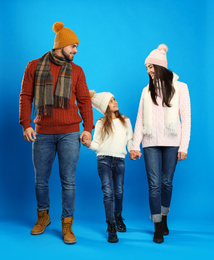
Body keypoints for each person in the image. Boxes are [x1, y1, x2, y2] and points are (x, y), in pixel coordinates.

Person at [19, 22, 93, 244]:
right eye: (73, 46)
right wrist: (26, 123)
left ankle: (67, 224)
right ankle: (43, 217)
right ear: (61, 45)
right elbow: (25, 96)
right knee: (40, 180)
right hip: (42, 133)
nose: (76, 51)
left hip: (70, 133)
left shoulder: (77, 71)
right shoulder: (33, 66)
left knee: (68, 181)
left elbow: (84, 101)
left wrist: (88, 128)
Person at [130, 44, 191, 243]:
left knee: (166, 183)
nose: (148, 71)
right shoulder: (146, 90)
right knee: (154, 185)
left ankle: (164, 216)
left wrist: (184, 146)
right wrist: (134, 145)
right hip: (150, 143)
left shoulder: (181, 88)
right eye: (146, 67)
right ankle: (157, 225)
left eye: (151, 66)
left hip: (172, 142)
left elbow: (186, 119)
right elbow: (140, 119)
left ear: (160, 66)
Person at [82, 91, 133, 243]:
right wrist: (89, 144)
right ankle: (111, 226)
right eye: (111, 101)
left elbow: (130, 138)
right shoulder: (100, 123)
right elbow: (96, 144)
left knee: (118, 191)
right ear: (105, 106)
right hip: (103, 159)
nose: (115, 102)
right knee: (107, 192)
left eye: (114, 99)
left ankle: (118, 216)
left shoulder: (125, 120)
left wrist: (132, 151)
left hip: (119, 160)